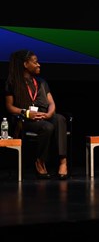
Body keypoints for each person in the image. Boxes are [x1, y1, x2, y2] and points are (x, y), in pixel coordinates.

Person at [4, 49, 69, 180]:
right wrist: (25, 112)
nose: (39, 65)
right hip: (26, 119)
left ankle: (63, 162)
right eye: (35, 62)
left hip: (44, 115)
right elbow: (9, 106)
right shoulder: (13, 82)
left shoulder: (41, 82)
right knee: (47, 127)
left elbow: (51, 103)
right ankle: (40, 161)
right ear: (25, 64)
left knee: (60, 119)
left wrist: (50, 114)